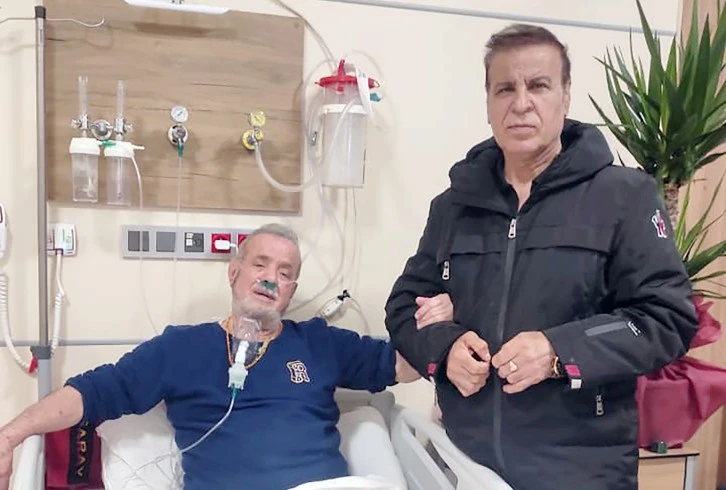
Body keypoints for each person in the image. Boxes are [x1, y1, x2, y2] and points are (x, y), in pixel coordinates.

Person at [384, 23, 699, 490]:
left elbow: (666, 318)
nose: (521, 103)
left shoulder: (623, 196)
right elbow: (402, 307)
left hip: (579, 469)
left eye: (538, 85)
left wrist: (558, 351)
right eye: (505, 88)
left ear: (565, 96)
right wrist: (445, 348)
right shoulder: (454, 206)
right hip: (467, 465)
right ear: (488, 102)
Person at [0, 223, 440, 490]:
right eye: (260, 265)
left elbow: (401, 365)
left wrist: (440, 329)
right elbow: (94, 391)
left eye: (285, 273)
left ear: (291, 291)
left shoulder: (319, 343)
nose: (270, 279)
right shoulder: (180, 348)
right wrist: (10, 435)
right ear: (234, 272)